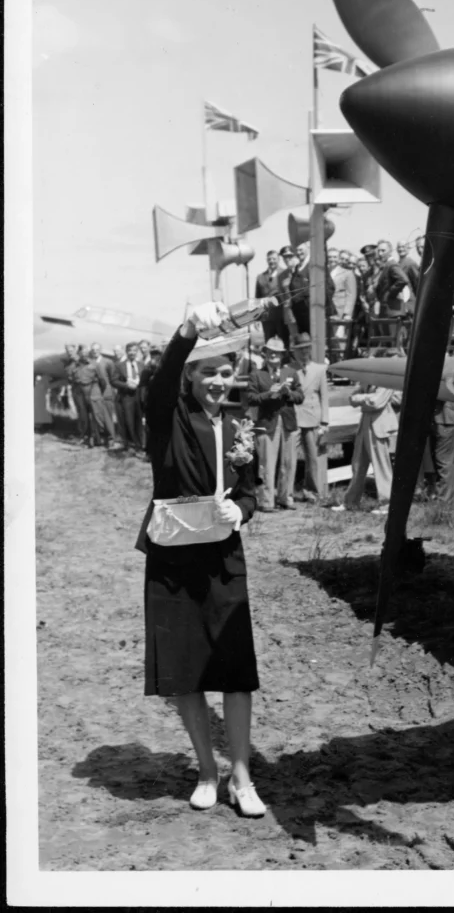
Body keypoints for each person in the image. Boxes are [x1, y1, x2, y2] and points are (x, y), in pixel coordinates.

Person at [136, 301, 265, 817]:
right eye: (207, 372)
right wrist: (187, 331)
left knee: (235, 670)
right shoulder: (168, 418)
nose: (217, 381)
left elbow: (251, 489)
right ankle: (207, 771)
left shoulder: (238, 426)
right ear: (190, 376)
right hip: (172, 559)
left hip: (222, 558)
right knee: (185, 670)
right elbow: (160, 381)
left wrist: (245, 507)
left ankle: (242, 776)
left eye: (225, 371)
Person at [246, 337, 304, 512]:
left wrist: (288, 394)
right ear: (265, 354)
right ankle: (266, 501)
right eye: (270, 352)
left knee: (289, 463)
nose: (273, 355)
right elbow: (251, 398)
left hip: (288, 423)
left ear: (282, 355)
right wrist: (267, 395)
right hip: (267, 423)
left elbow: (300, 396)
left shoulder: (291, 373)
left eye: (277, 352)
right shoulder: (256, 374)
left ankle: (285, 498)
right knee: (266, 464)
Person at [332, 379, 401, 514]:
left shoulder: (386, 381)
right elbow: (352, 399)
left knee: (381, 466)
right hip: (364, 425)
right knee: (357, 465)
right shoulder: (367, 380)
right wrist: (365, 399)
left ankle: (387, 504)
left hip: (379, 427)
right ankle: (350, 502)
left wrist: (361, 399)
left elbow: (377, 402)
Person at [291, 333, 328, 502]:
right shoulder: (290, 369)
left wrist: (325, 421)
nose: (303, 352)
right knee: (289, 457)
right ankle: (287, 493)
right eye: (300, 349)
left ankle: (311, 491)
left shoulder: (320, 369)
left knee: (313, 458)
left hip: (312, 418)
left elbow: (324, 397)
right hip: (293, 418)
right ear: (294, 351)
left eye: (306, 348)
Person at [69, 344, 109, 447]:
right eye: (82, 353)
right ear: (79, 354)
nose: (84, 355)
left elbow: (102, 381)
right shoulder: (74, 365)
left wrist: (98, 392)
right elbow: (71, 377)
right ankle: (84, 436)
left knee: (95, 415)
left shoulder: (95, 364)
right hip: (78, 391)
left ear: (89, 354)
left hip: (91, 390)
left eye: (86, 353)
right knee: (83, 415)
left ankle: (98, 437)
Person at [111, 341, 145, 453]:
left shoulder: (141, 365)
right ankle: (130, 444)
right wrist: (126, 385)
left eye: (135, 351)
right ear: (126, 352)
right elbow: (113, 381)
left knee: (138, 422)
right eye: (130, 351)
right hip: (126, 397)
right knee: (128, 421)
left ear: (137, 352)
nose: (132, 353)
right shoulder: (119, 365)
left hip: (138, 397)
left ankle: (139, 445)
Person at [426, 401, 454, 505]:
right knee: (439, 461)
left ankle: (445, 500)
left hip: (445, 419)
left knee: (443, 461)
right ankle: (443, 497)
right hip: (440, 418)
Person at [89, 342, 117, 448]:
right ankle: (100, 438)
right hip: (95, 392)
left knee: (107, 416)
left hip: (106, 392)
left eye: (97, 349)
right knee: (97, 416)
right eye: (93, 349)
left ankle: (111, 438)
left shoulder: (108, 362)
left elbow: (112, 377)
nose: (95, 351)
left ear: (101, 350)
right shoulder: (90, 362)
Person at [254, 250, 285, 343]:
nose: (271, 261)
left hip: (281, 317)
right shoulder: (260, 277)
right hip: (267, 318)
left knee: (284, 343)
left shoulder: (284, 273)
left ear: (279, 259)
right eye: (269, 259)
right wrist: (257, 318)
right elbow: (257, 299)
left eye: (274, 259)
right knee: (269, 343)